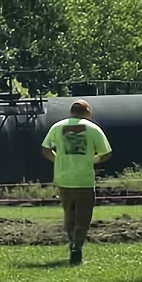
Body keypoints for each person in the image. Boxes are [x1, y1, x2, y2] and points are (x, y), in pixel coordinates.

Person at [42, 100, 112, 265]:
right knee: (83, 217)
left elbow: (45, 149)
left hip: (63, 179)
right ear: (87, 111)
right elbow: (107, 153)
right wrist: (91, 160)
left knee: (69, 214)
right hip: (83, 180)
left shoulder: (57, 127)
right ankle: (77, 248)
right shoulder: (93, 128)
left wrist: (58, 160)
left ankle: (73, 244)